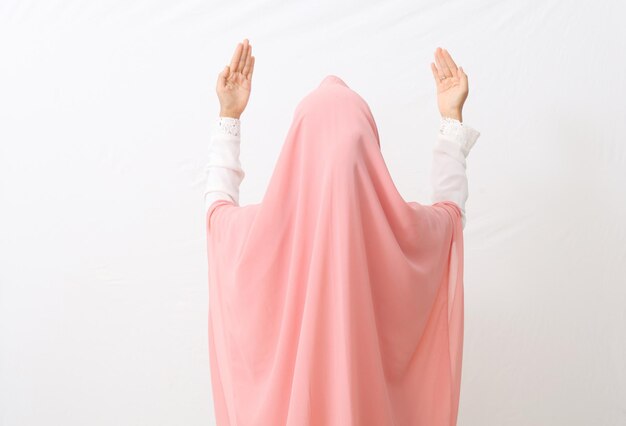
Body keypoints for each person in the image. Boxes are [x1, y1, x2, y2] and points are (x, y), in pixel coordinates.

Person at [203, 38, 480, 426]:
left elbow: (217, 214)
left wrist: (228, 120)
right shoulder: (398, 236)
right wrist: (451, 123)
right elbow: (449, 219)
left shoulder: (264, 237)